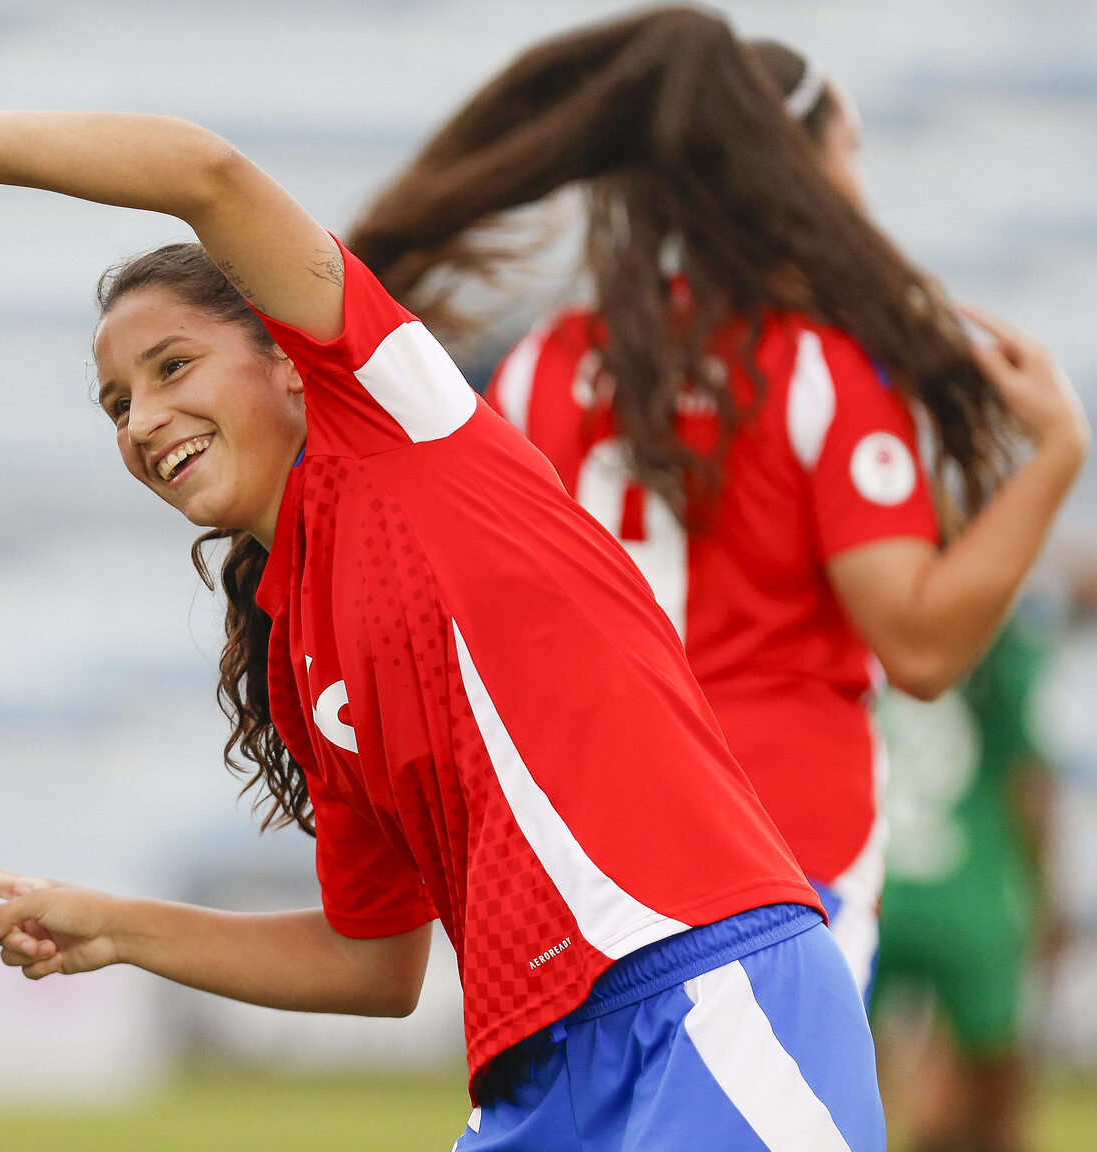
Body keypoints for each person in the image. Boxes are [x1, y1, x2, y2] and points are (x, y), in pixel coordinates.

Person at [0, 74, 883, 1150]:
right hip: (541, 1078)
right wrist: (113, 926)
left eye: (171, 366)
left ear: (294, 366)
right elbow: (375, 965)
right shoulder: (300, 650)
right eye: (116, 402)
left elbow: (202, 173)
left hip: (708, 991)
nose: (143, 417)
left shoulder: (400, 428)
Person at [342, 6, 1088, 994]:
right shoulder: (821, 372)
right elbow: (918, 645)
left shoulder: (541, 364)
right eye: (845, 151)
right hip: (779, 854)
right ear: (788, 170)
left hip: (582, 861)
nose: (857, 187)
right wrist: (1054, 457)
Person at [874, 614, 1061, 1152]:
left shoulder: (856, 621)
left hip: (872, 886)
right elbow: (1028, 781)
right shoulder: (995, 638)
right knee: (994, 1095)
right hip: (971, 888)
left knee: (840, 1084)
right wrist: (1046, 892)